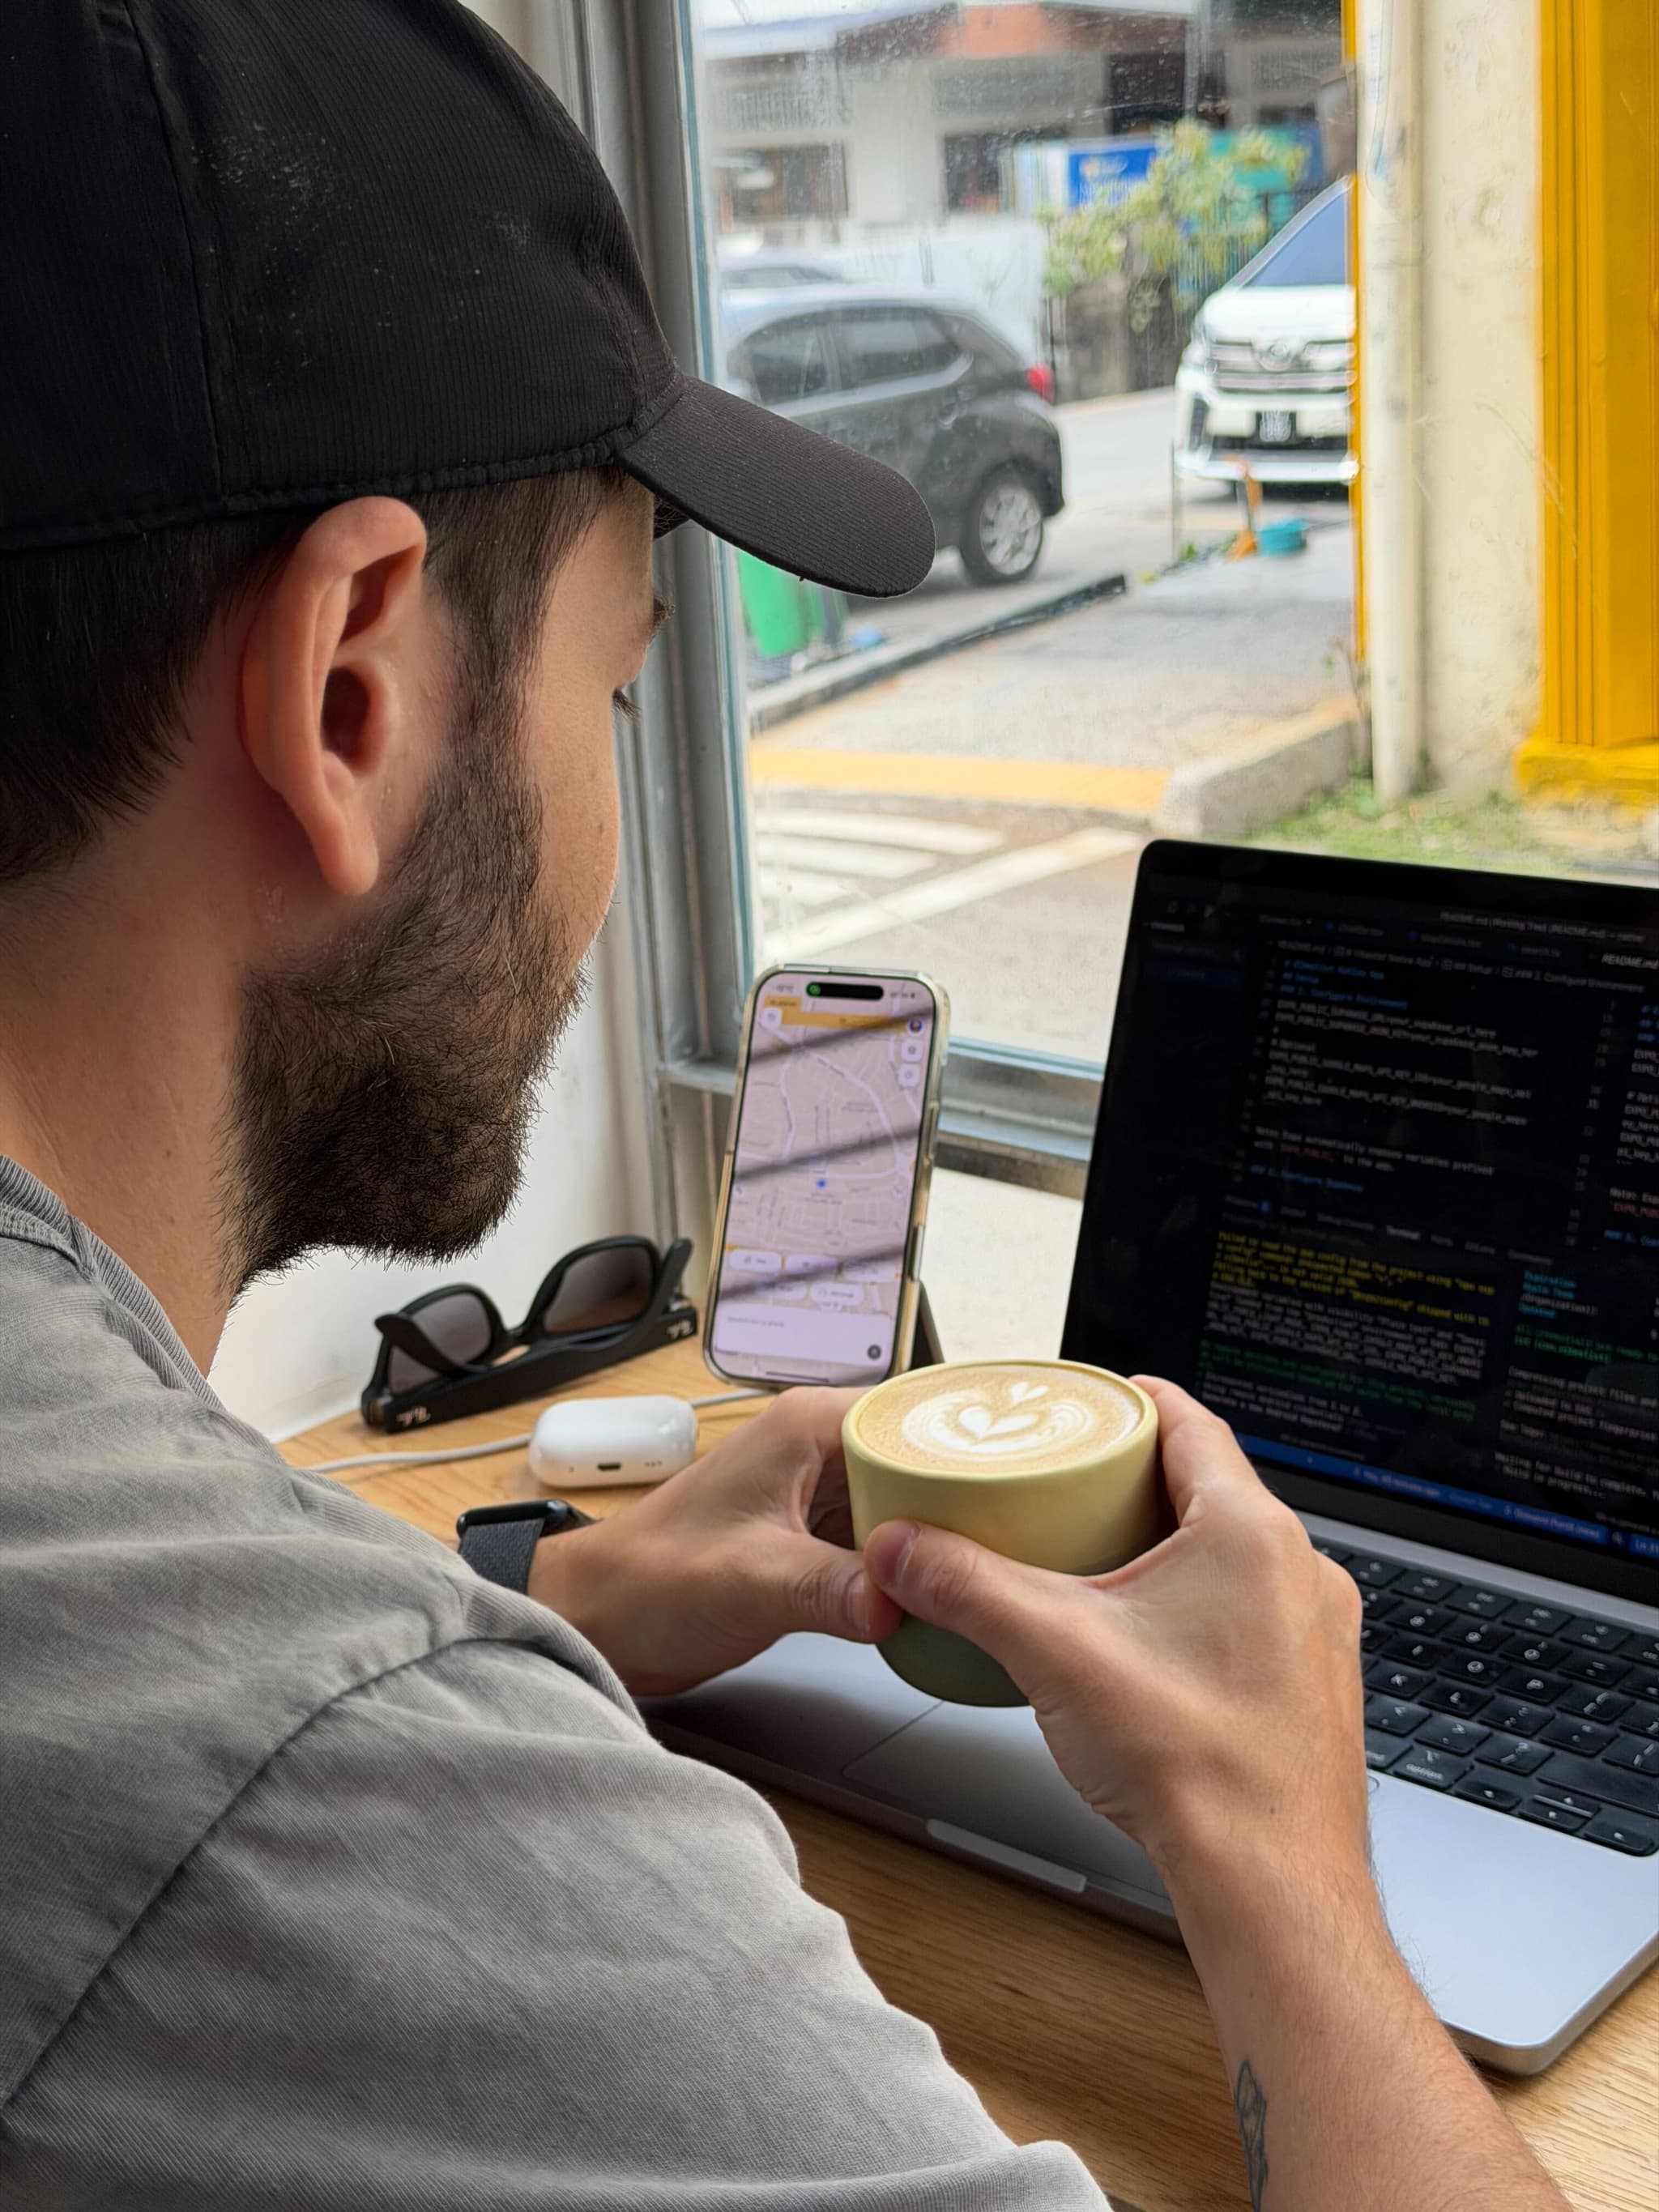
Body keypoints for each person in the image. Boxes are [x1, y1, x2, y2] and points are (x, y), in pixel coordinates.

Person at [0, 5, 1573, 2209]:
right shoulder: (318, 1778)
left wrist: (571, 1600)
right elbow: (257, 1757)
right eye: (621, 689)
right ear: (352, 687)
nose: (615, 821)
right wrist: (1279, 1841)